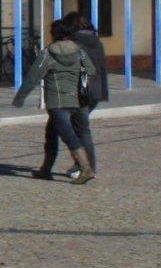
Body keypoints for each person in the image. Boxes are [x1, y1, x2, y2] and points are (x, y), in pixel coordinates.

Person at [14, 18, 97, 184]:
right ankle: (45, 170)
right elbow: (91, 71)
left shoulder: (48, 54)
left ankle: (86, 169)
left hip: (57, 101)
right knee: (51, 133)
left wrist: (20, 97)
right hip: (78, 101)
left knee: (69, 137)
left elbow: (32, 77)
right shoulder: (80, 52)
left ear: (54, 35)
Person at [36, 13, 109, 180]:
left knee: (67, 130)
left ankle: (82, 167)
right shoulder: (97, 42)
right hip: (95, 91)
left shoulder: (72, 44)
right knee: (80, 129)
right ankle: (85, 166)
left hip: (73, 93)